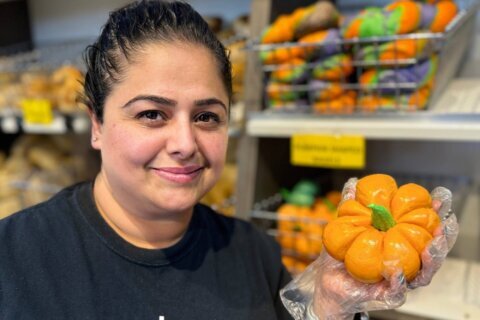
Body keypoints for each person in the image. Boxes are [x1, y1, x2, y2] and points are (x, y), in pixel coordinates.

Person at [0, 1, 457, 319]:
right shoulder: (15, 258)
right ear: (96, 124)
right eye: (152, 114)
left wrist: (331, 305)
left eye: (206, 116)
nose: (184, 142)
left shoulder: (252, 252)